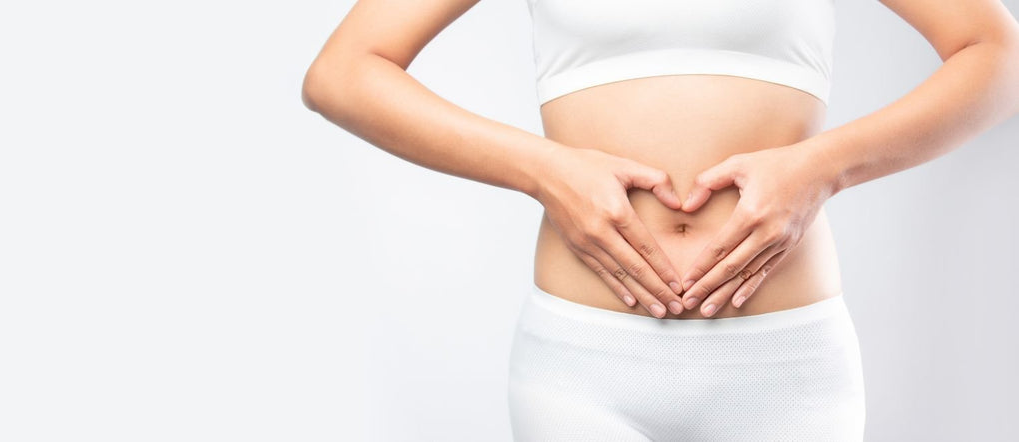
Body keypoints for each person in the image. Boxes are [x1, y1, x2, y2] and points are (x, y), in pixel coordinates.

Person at [301, 0, 1019, 439]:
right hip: (585, 368)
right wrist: (543, 170)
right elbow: (343, 73)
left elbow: (999, 56)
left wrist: (822, 168)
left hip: (784, 370)